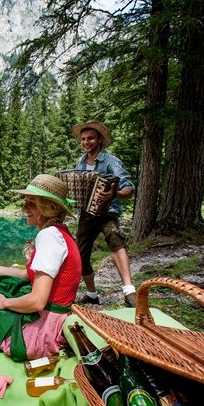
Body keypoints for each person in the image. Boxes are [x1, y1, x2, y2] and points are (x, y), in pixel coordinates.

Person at [0, 174, 81, 361]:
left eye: (31, 203)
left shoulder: (49, 236)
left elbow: (37, 302)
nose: (24, 208)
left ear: (48, 207)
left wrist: (4, 303)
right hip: (56, 320)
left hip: (39, 334)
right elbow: (27, 274)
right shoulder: (59, 233)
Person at [72, 120, 137, 307]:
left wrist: (112, 194)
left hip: (108, 211)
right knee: (81, 255)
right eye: (83, 139)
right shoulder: (81, 163)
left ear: (100, 139)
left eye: (90, 138)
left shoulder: (111, 162)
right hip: (86, 213)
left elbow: (129, 189)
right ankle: (92, 295)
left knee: (114, 236)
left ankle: (129, 291)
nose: (86, 142)